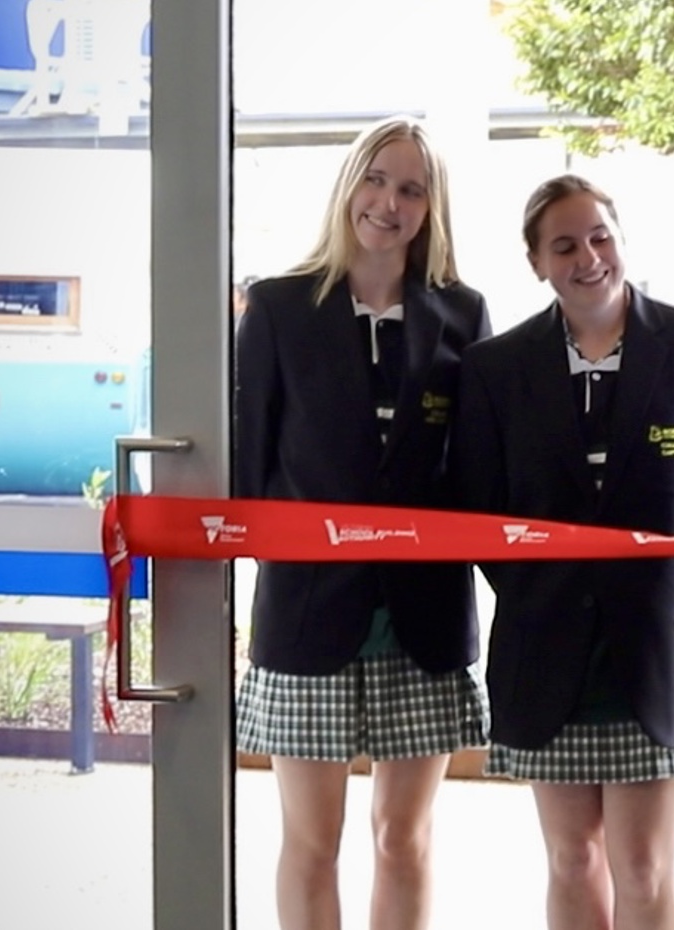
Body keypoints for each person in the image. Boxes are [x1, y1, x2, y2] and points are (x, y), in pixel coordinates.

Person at [233, 115, 492, 930]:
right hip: (310, 614)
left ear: (430, 208)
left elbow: (478, 473)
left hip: (424, 620)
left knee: (403, 840)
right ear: (350, 186)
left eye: (412, 189)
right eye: (377, 180)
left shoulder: (461, 312)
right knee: (312, 841)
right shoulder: (276, 308)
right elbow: (249, 468)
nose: (389, 201)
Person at [455, 174, 674, 930]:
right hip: (548, 651)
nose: (588, 257)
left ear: (621, 239)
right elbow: (482, 514)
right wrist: (550, 586)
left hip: (660, 649)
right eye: (565, 245)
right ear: (537, 262)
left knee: (642, 865)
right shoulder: (496, 369)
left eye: (600, 236)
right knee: (572, 858)